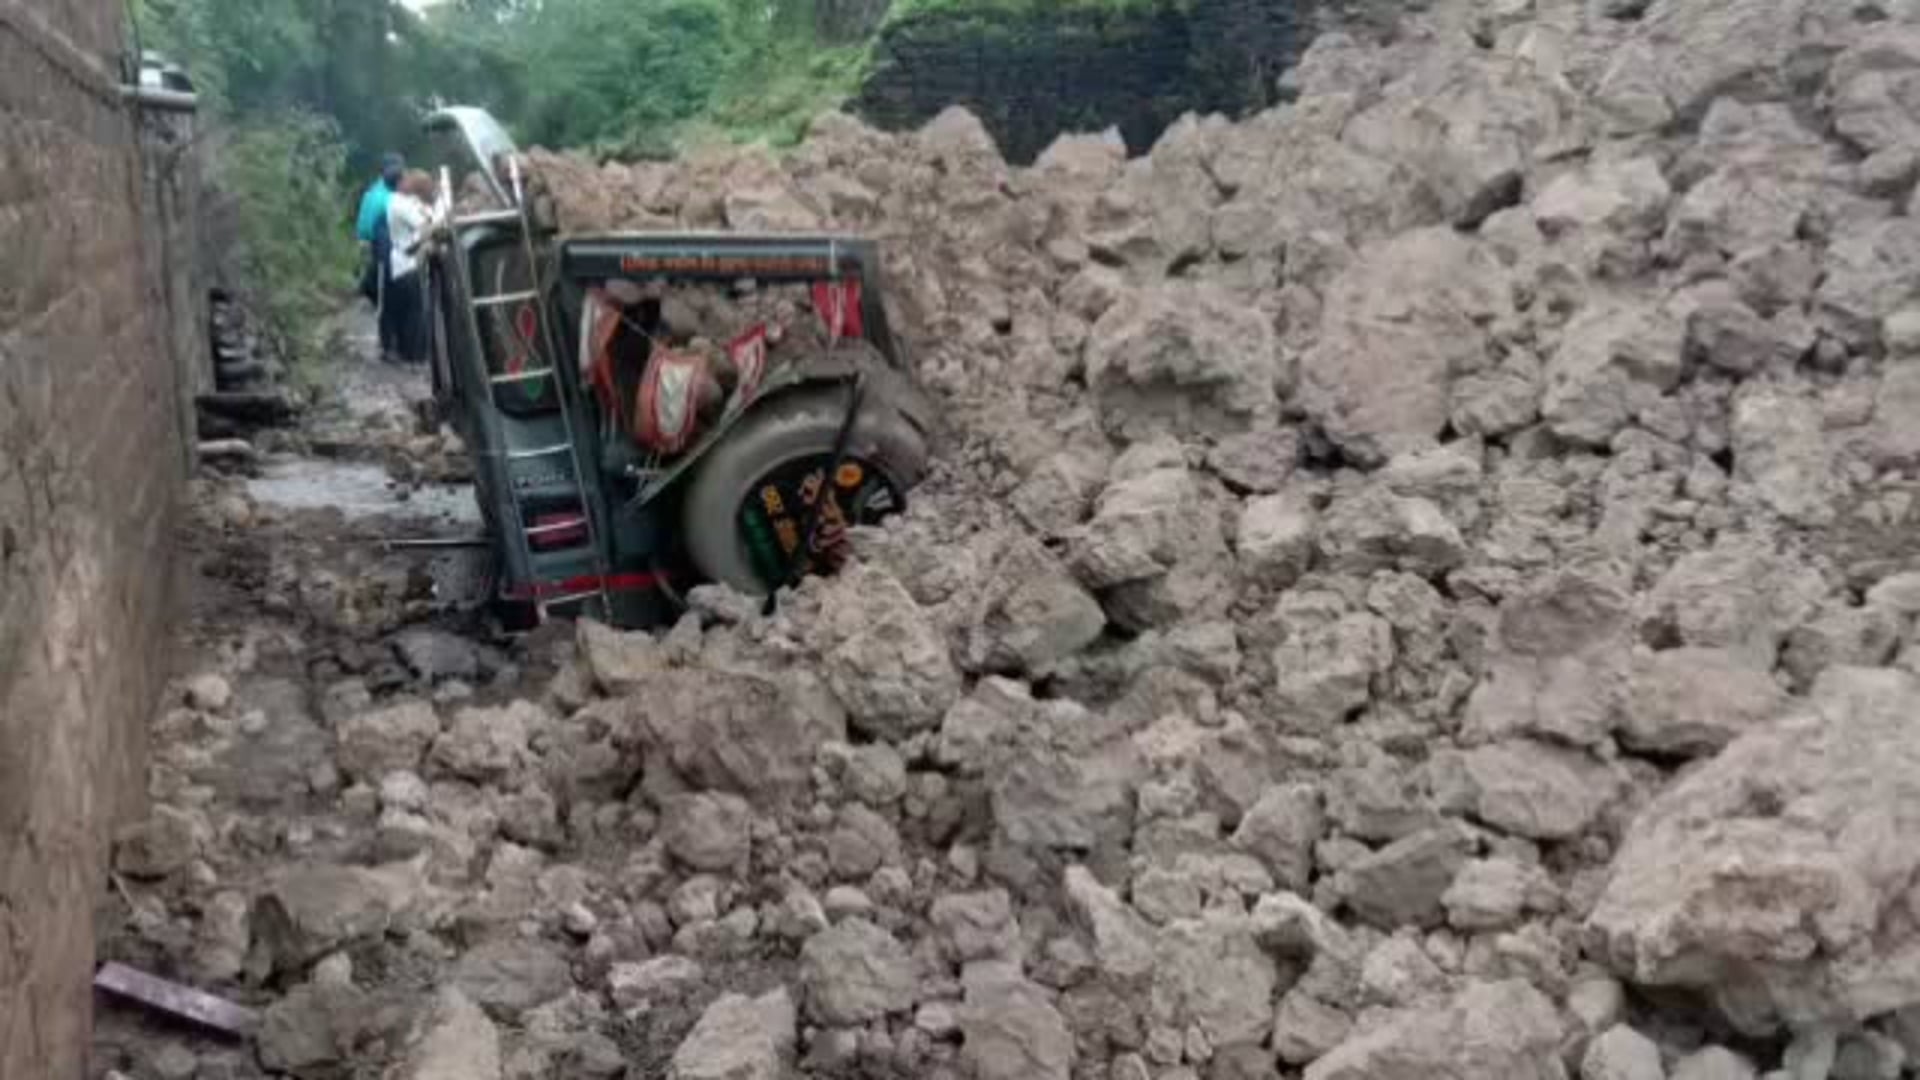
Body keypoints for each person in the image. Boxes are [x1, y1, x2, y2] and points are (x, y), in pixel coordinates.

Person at [356, 153, 405, 360]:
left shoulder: (374, 194)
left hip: (388, 255)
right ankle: (392, 345)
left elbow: (363, 231)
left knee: (388, 301)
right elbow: (365, 230)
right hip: (391, 255)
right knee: (392, 300)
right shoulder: (384, 195)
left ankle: (392, 344)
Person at [385, 170, 437, 365]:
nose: (409, 182)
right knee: (416, 313)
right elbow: (425, 225)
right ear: (399, 183)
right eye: (406, 179)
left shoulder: (398, 202)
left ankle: (409, 354)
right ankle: (415, 356)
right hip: (409, 262)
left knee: (409, 312)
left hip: (401, 262)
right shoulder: (402, 205)